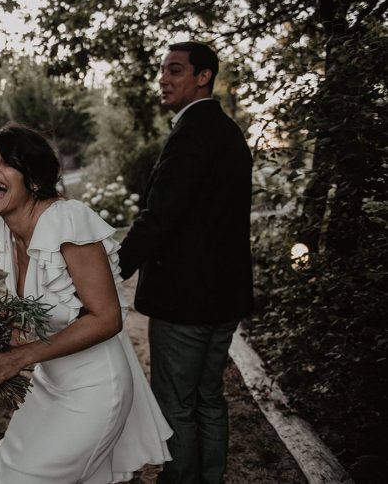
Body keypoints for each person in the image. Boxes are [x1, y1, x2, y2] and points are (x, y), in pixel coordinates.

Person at [0, 124, 172, 484]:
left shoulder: (66, 221)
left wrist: (21, 356)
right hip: (50, 383)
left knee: (18, 478)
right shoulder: (9, 230)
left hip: (94, 390)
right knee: (4, 467)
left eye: (5, 162)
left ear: (34, 179)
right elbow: (46, 312)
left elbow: (107, 318)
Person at [117, 41, 253, 484]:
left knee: (176, 401)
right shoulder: (229, 133)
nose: (163, 79)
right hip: (225, 298)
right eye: (162, 71)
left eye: (175, 70)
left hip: (185, 301)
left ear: (204, 76)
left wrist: (112, 267)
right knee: (209, 397)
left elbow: (159, 217)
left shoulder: (190, 134)